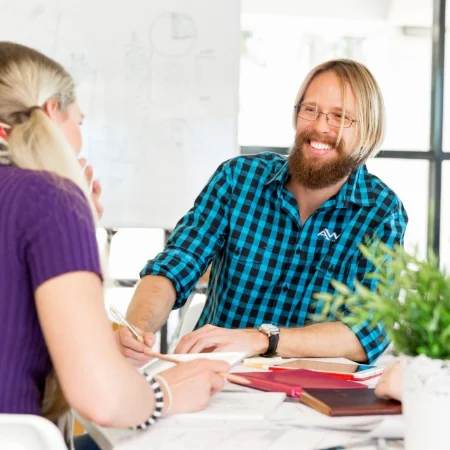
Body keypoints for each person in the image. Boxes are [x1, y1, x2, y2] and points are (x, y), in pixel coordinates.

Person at [0, 41, 230, 450]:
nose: (78, 140)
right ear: (52, 112)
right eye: (79, 123)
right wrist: (167, 392)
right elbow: (101, 399)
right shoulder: (49, 199)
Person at [119, 58, 408, 367]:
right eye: (310, 110)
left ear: (369, 131)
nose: (320, 127)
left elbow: (370, 331)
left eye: (341, 117)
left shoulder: (382, 211)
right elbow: (178, 263)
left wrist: (262, 339)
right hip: (217, 379)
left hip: (314, 398)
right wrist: (137, 330)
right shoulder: (238, 179)